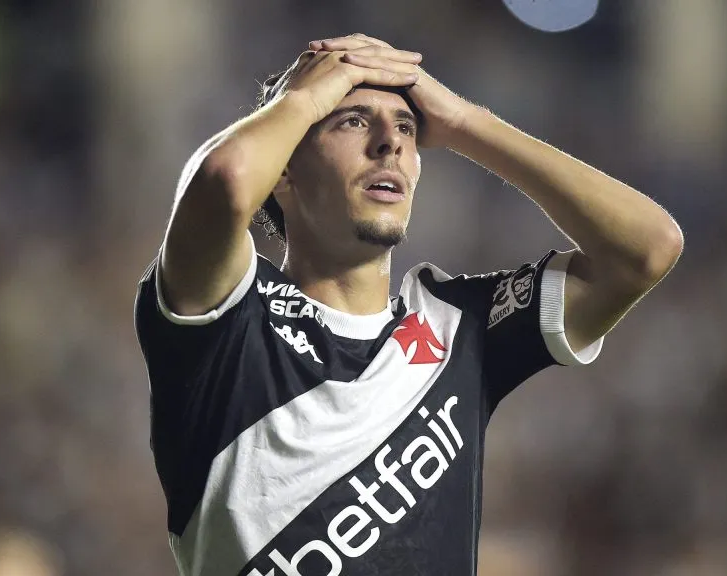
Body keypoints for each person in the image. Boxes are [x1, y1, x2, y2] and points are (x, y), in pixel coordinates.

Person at [133, 33, 683, 576]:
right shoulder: (229, 319)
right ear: (283, 171)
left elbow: (647, 249)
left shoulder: (459, 327)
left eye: (406, 128)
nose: (389, 144)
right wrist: (301, 99)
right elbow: (225, 179)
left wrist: (466, 123)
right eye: (352, 121)